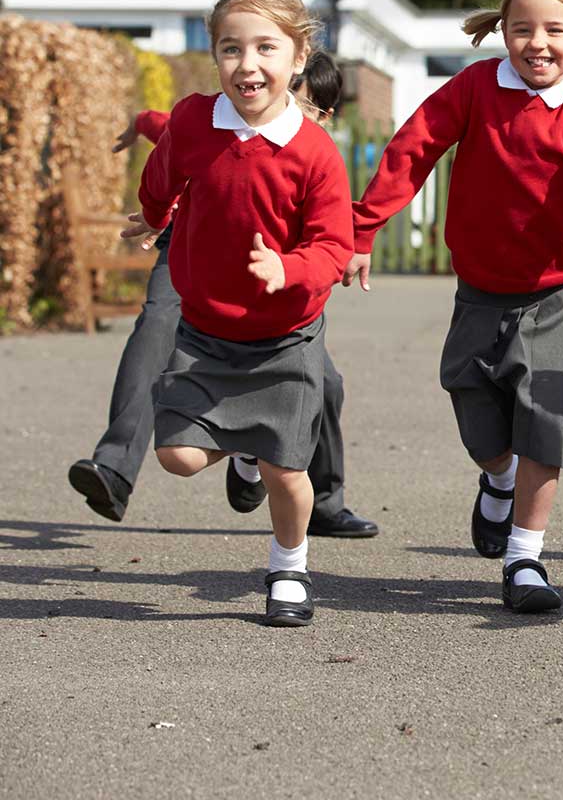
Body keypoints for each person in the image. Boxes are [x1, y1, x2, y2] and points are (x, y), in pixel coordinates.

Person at [342, 0, 563, 613]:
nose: (537, 43)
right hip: (481, 292)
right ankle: (498, 480)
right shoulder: (476, 88)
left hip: (557, 294)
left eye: (554, 30)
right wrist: (362, 227)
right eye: (522, 29)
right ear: (503, 32)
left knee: (545, 422)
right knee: (481, 426)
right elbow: (411, 150)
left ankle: (525, 560)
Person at [68, 51, 378, 538]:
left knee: (327, 384)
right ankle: (114, 466)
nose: (283, 106)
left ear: (323, 114)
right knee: (156, 331)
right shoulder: (214, 119)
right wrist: (139, 125)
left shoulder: (311, 154)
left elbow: (333, 231)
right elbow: (168, 129)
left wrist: (337, 252)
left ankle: (319, 498)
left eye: (304, 103)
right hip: (195, 251)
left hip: (274, 271)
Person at [123, 0, 355, 626]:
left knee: (287, 472)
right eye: (230, 48)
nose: (247, 65)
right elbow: (163, 169)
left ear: (298, 56)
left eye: (265, 48)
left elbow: (333, 244)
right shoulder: (196, 119)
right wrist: (151, 213)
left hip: (285, 338)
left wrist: (290, 267)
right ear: (213, 51)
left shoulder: (313, 152)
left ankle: (289, 568)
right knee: (177, 456)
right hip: (204, 332)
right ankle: (246, 447)